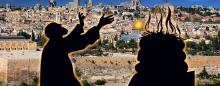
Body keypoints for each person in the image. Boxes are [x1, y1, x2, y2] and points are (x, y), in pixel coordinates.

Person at [40, 13, 114, 86]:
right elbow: (80, 40)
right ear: (56, 32)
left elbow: (71, 39)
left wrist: (82, 24)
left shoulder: (54, 44)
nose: (62, 27)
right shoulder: (56, 46)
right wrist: (100, 25)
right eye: (59, 27)